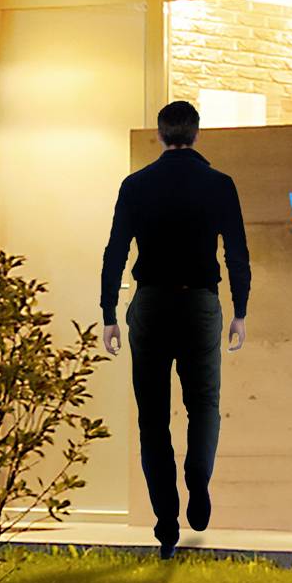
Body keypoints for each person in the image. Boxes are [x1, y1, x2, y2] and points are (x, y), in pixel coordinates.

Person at [100, 99, 251, 556]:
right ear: (197, 133)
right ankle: (198, 480)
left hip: (149, 305)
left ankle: (165, 522)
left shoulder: (136, 185)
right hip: (201, 303)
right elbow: (237, 254)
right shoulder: (219, 184)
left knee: (152, 419)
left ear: (161, 135)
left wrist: (109, 312)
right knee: (204, 405)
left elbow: (115, 252)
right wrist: (240, 309)